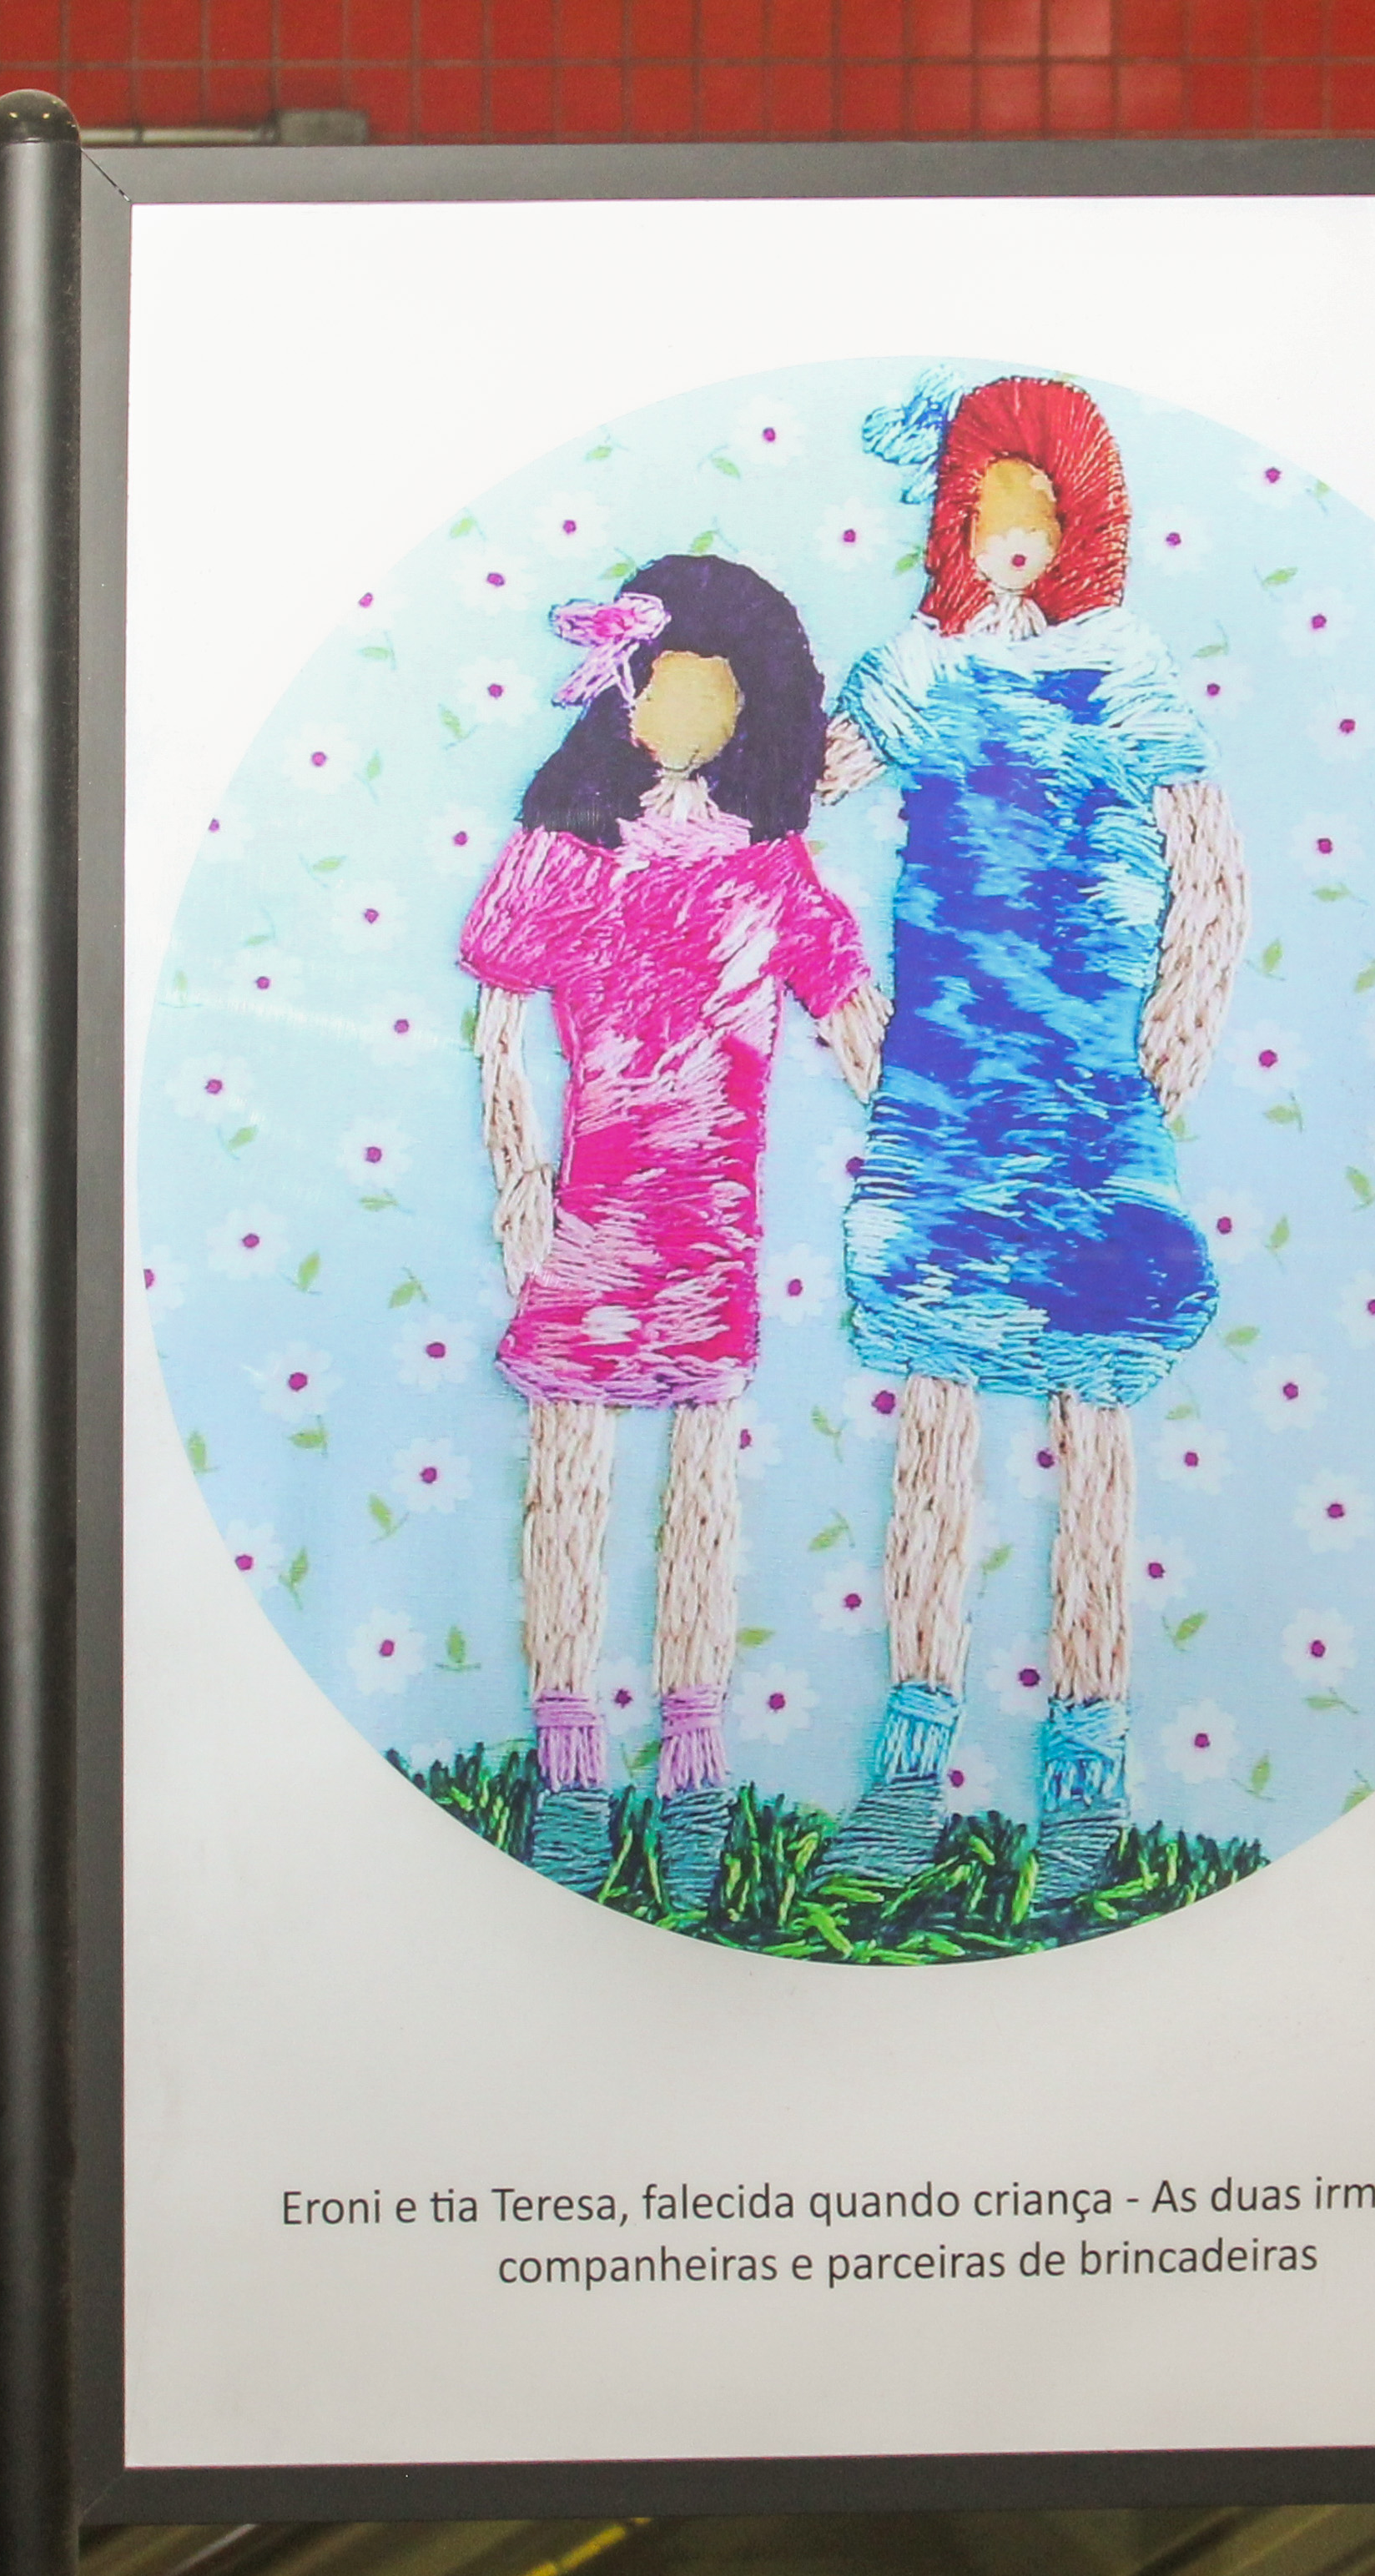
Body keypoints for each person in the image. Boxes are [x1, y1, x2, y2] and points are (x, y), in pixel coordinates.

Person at [814, 374, 1251, 1904]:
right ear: (954, 523)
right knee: (939, 1414)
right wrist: (858, 1027)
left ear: (1082, 523)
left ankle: (1087, 1766)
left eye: (1037, 512)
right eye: (985, 511)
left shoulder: (1124, 671)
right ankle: (910, 1759)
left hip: (1086, 1099)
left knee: (1094, 1416)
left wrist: (1166, 1058)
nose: (1010, 540)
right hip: (946, 1096)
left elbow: (1211, 870)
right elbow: (785, 816)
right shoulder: (917, 669)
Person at [461, 554, 885, 1908]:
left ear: (755, 711)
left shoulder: (770, 868)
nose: (682, 717)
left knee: (703, 1490)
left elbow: (852, 1013)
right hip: (590, 1216)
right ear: (622, 692)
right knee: (571, 1485)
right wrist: (518, 1181)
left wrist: (935, 1128)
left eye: (713, 695)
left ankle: (693, 1761)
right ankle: (570, 1764)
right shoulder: (566, 854)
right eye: (662, 688)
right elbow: (498, 1028)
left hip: (711, 1231)